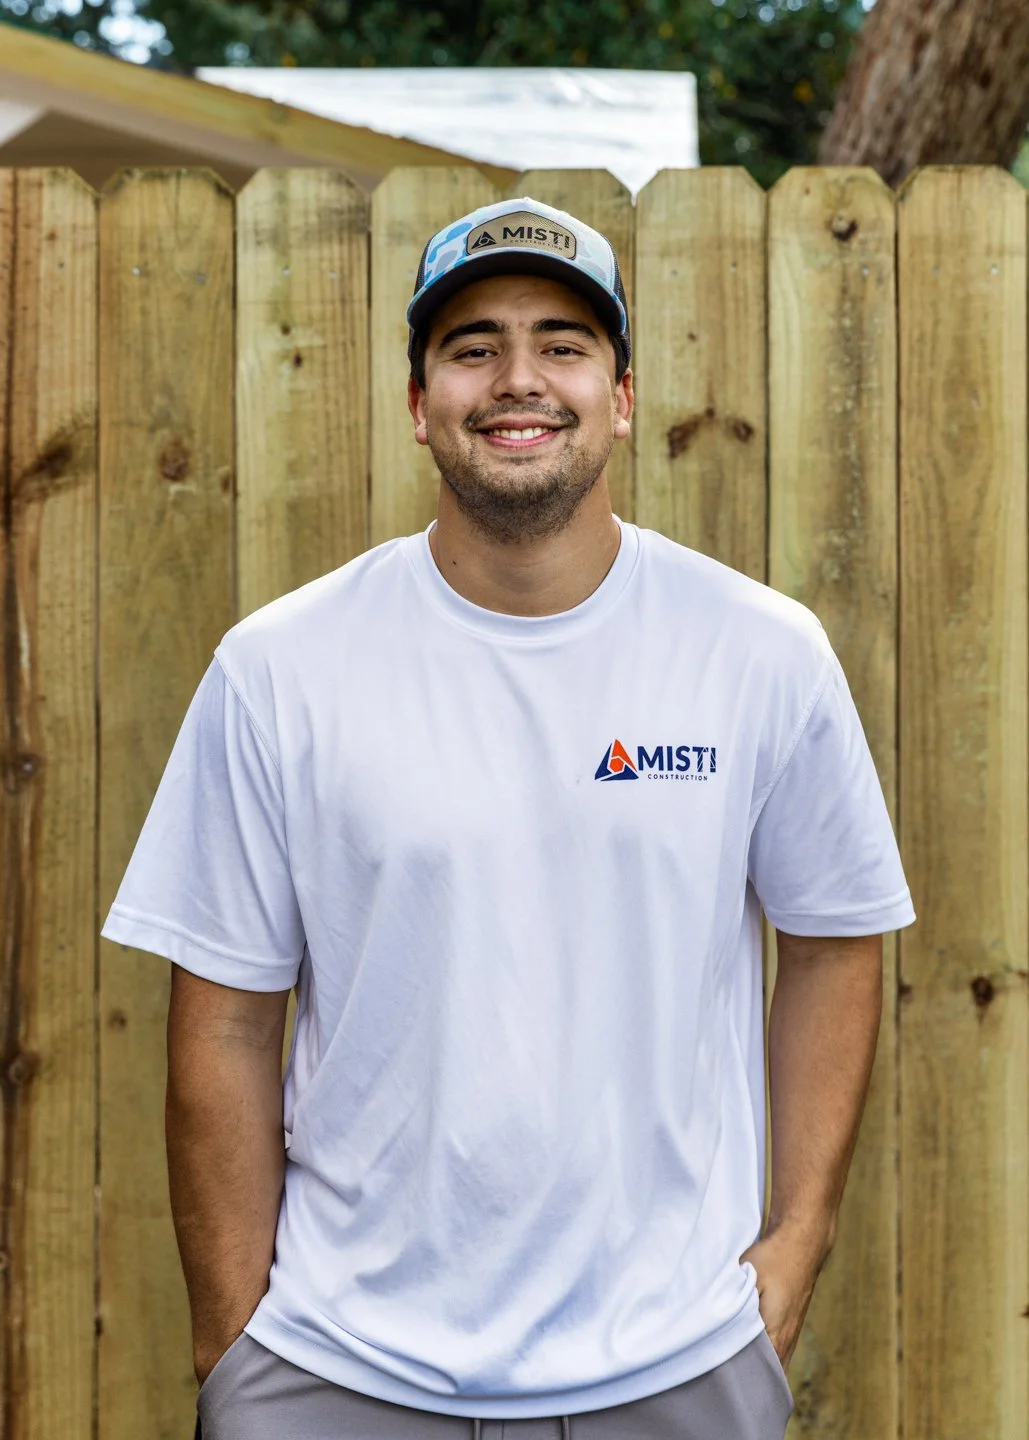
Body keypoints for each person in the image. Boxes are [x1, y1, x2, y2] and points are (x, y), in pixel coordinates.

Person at [101, 196, 915, 1440]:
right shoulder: (282, 669)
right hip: (338, 1373)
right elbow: (223, 1020)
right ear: (418, 399)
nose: (518, 379)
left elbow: (833, 943)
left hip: (674, 1370)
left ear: (623, 395)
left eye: (564, 344)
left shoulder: (760, 655)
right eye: (473, 346)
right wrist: (235, 1348)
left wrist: (793, 1250)